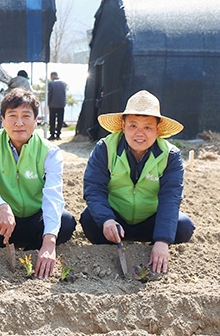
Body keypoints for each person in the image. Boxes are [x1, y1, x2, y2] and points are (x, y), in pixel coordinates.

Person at [80, 90, 194, 274]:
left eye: (147, 127)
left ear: (157, 130)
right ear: (123, 126)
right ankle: (113, 235)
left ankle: (152, 244)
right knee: (90, 220)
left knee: (183, 227)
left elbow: (170, 198)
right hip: (116, 221)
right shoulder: (105, 148)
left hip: (150, 220)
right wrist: (107, 220)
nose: (139, 133)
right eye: (133, 126)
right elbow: (94, 188)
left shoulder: (170, 156)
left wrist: (162, 241)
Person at [0, 88, 76, 279]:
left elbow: (53, 196)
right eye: (12, 115)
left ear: (36, 120)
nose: (19, 123)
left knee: (66, 222)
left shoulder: (50, 151)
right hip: (3, 221)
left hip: (34, 219)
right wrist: (1, 206)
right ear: (2, 120)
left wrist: (50, 242)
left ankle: (34, 249)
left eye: (26, 116)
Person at [47, 72, 67, 141]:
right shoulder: (63, 83)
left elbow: (50, 94)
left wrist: (48, 103)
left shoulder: (51, 83)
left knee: (52, 119)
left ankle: (52, 134)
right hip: (61, 104)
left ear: (52, 76)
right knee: (60, 120)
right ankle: (58, 134)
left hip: (53, 104)